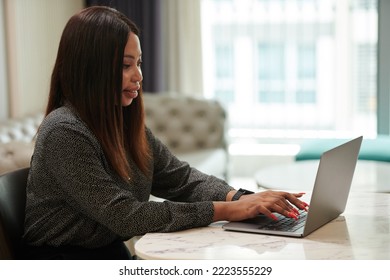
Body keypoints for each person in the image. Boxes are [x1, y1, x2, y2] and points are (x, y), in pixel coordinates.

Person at [22, 6, 308, 260]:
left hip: (109, 254)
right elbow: (126, 216)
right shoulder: (65, 132)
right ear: (90, 69)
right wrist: (226, 210)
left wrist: (239, 197)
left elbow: (180, 178)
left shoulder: (121, 124)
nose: (139, 76)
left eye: (139, 63)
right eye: (125, 65)